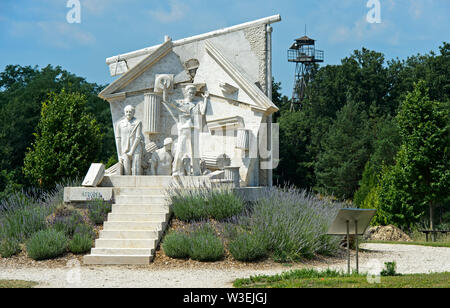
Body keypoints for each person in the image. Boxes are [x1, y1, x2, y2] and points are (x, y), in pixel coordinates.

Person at [164, 85, 209, 176]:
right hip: (184, 129)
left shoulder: (198, 103)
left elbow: (203, 111)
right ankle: (176, 171)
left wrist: (206, 99)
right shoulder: (180, 103)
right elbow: (167, 100)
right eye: (190, 92)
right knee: (180, 150)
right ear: (186, 92)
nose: (192, 94)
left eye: (193, 93)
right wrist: (165, 89)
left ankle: (196, 172)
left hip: (194, 128)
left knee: (195, 152)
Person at [116, 105, 144, 175]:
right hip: (124, 149)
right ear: (124, 113)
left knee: (136, 170)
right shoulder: (119, 124)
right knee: (126, 170)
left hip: (136, 148)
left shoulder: (138, 122)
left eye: (130, 112)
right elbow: (118, 139)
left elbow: (138, 137)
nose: (128, 113)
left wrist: (131, 151)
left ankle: (138, 185)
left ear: (133, 113)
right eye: (127, 112)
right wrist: (119, 155)